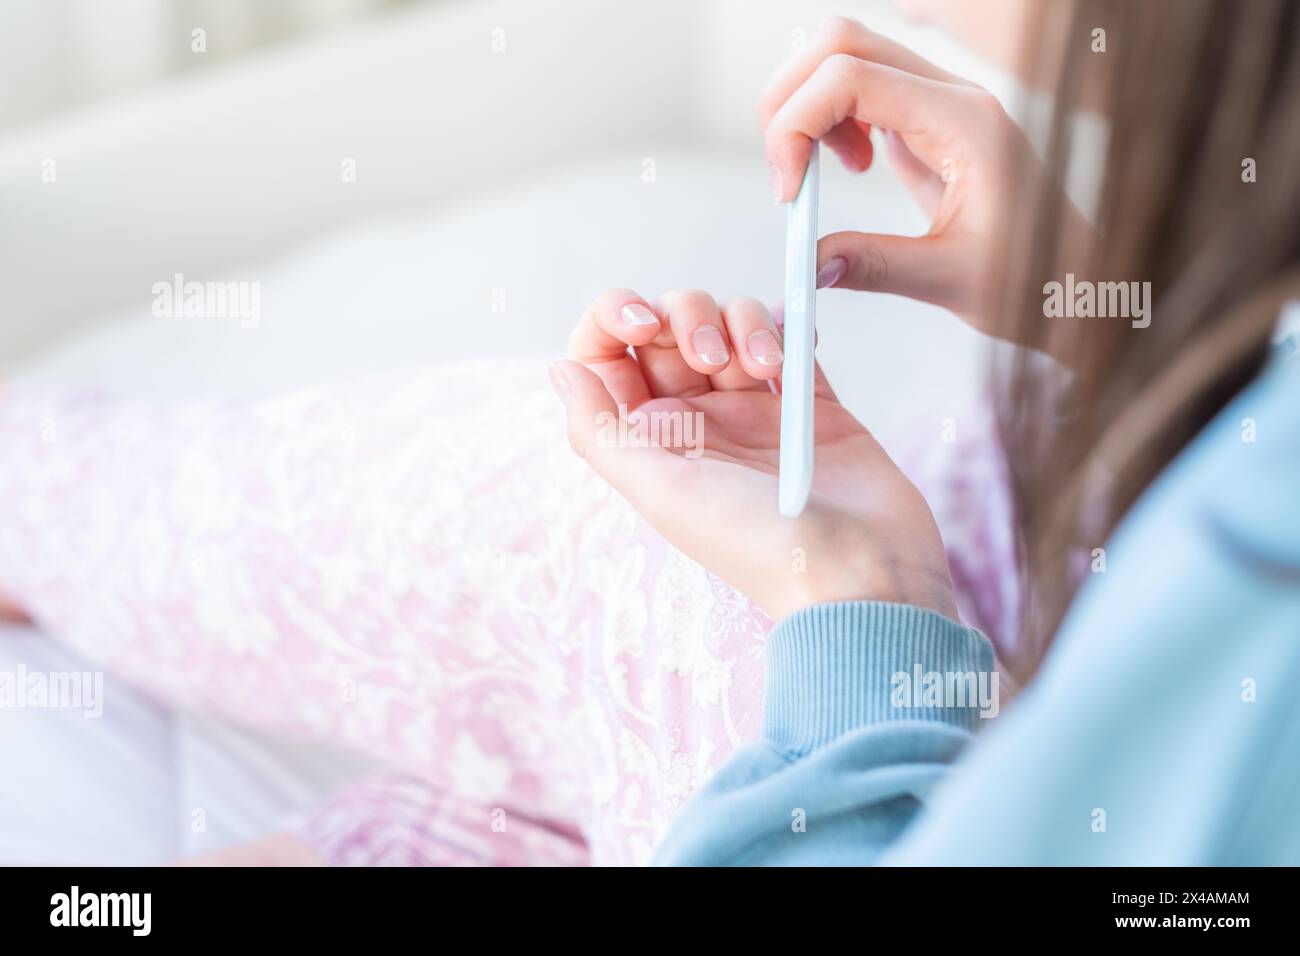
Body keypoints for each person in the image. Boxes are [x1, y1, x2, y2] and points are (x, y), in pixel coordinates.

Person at [2, 1, 1298, 865]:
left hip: (936, 749)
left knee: (612, 538)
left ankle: (31, 493)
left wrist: (861, 600)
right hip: (1040, 621)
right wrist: (1102, 303)